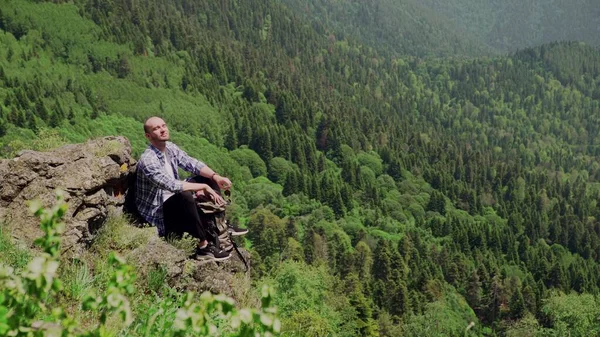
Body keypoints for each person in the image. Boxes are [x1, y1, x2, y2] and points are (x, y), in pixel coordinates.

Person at [135, 116, 245, 261]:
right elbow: (172, 185)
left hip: (172, 198)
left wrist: (215, 177)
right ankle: (203, 248)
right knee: (185, 195)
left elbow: (191, 163)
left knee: (207, 178)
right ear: (148, 136)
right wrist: (203, 187)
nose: (162, 130)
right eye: (156, 128)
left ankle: (220, 226)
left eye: (163, 126)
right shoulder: (148, 160)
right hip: (159, 211)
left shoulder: (170, 148)